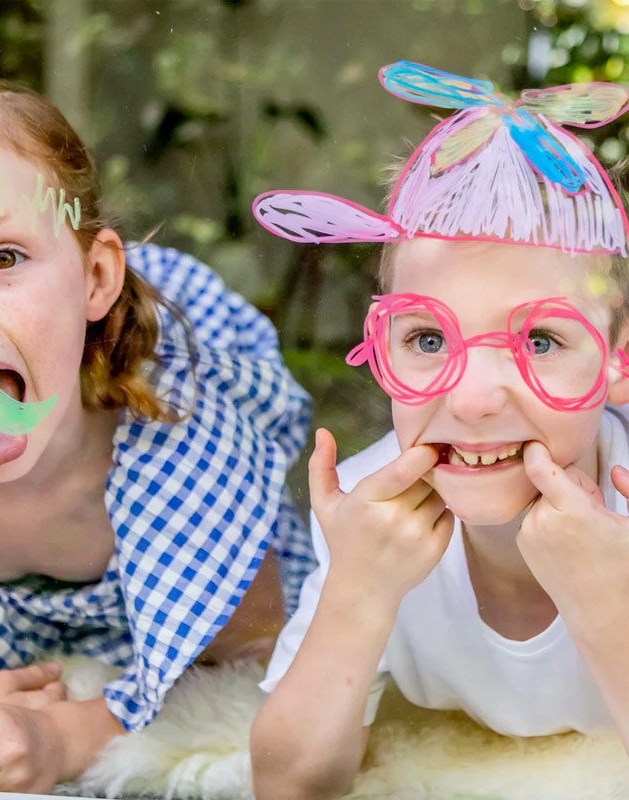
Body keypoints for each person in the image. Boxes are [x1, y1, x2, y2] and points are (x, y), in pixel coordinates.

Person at [0, 74, 314, 793]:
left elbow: (269, 665)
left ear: (94, 277)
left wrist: (69, 735)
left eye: (2, 257)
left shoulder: (174, 447)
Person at [249, 61, 629, 800]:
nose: (474, 397)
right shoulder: (371, 517)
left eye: (541, 342)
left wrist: (610, 605)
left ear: (617, 362)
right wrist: (358, 591)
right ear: (379, 345)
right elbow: (288, 785)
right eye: (427, 340)